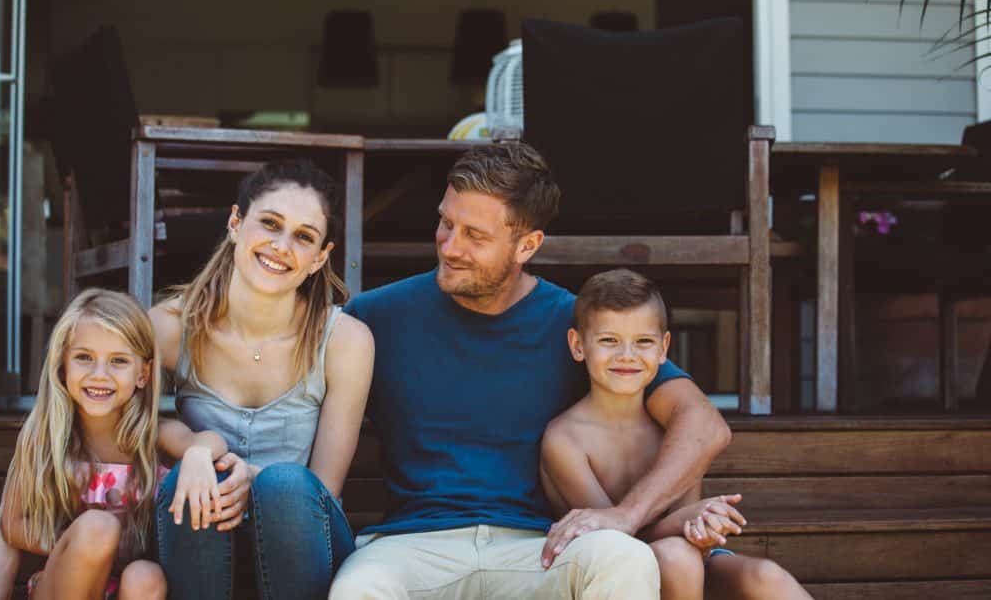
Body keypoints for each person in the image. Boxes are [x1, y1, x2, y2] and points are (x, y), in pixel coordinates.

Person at [329, 141, 732, 598]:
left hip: (539, 548)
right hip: (413, 546)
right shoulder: (377, 316)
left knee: (625, 557)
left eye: (474, 236)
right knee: (357, 589)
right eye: (445, 222)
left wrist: (627, 515)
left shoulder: (577, 325)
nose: (450, 246)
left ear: (527, 244)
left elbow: (703, 424)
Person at [150, 160, 374, 599]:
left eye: (304, 236)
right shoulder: (169, 326)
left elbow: (325, 486)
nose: (281, 245)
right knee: (190, 479)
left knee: (285, 484)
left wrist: (253, 476)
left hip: (303, 544)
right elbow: (129, 425)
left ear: (320, 258)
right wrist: (194, 448)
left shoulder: (345, 339)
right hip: (204, 543)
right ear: (235, 223)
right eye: (269, 223)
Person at [541, 269, 811, 600]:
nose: (627, 355)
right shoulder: (565, 439)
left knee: (766, 576)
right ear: (578, 345)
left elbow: (687, 536)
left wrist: (703, 526)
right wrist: (689, 518)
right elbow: (614, 539)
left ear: (663, 348)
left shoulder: (674, 434)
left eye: (643, 341)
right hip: (615, 572)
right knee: (675, 557)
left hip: (686, 560)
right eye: (609, 340)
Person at [0, 289, 171, 599]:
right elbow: (11, 525)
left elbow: (204, 443)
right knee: (97, 528)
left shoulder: (151, 438)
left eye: (118, 360)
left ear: (143, 373)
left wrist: (202, 455)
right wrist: (85, 545)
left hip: (123, 586)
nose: (99, 375)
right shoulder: (45, 434)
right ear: (63, 365)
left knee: (146, 575)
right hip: (61, 582)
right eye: (84, 357)